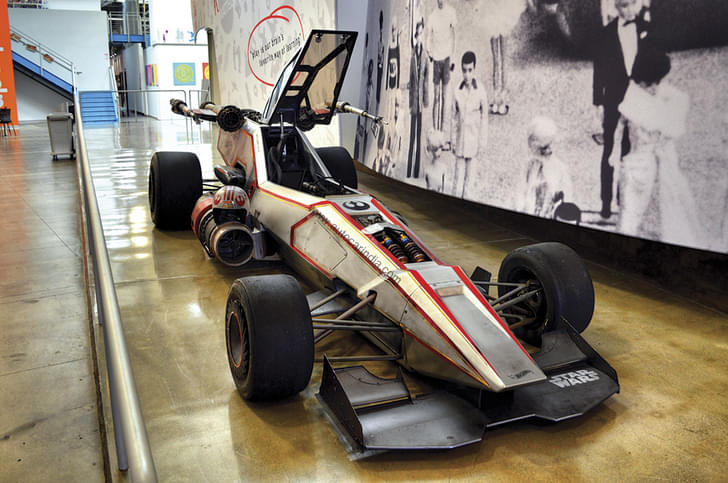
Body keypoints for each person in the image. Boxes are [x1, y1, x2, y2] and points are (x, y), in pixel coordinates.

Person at [617, 48, 701, 246]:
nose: (650, 86)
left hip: (649, 162)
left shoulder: (644, 98)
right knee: (639, 210)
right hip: (647, 162)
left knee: (645, 212)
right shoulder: (643, 97)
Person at [592, 0, 652, 219]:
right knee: (609, 150)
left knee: (631, 149)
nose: (629, 10)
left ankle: (624, 199)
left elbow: (652, 63)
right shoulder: (605, 34)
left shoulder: (646, 29)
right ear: (616, 8)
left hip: (637, 97)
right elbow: (598, 71)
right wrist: (597, 103)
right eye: (624, 6)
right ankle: (605, 202)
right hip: (612, 100)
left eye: (632, 4)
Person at [450, 51, 488, 198]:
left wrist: (482, 141)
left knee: (469, 183)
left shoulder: (480, 91)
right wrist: (452, 140)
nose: (467, 75)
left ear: (474, 69)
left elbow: (484, 117)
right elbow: (453, 118)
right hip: (460, 142)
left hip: (473, 142)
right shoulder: (457, 91)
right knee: (457, 180)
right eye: (464, 70)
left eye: (470, 70)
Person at [520, 116, 573, 218]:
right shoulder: (530, 165)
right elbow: (522, 192)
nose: (548, 151)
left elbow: (566, 198)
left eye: (543, 148)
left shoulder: (558, 169)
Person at [426, 0, 456, 132]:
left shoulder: (451, 13)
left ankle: (442, 131)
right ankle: (435, 130)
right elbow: (428, 37)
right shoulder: (432, 16)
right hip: (437, 61)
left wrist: (453, 56)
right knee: (436, 97)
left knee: (445, 97)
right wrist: (429, 52)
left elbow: (454, 35)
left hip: (447, 59)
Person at [407, 18, 428, 179]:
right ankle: (408, 172)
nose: (419, 37)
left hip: (420, 102)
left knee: (419, 138)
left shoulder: (425, 56)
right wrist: (410, 102)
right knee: (412, 138)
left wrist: (426, 99)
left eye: (421, 34)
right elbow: (411, 80)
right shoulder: (413, 55)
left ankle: (415, 172)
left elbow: (426, 79)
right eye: (418, 34)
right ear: (415, 36)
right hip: (414, 101)